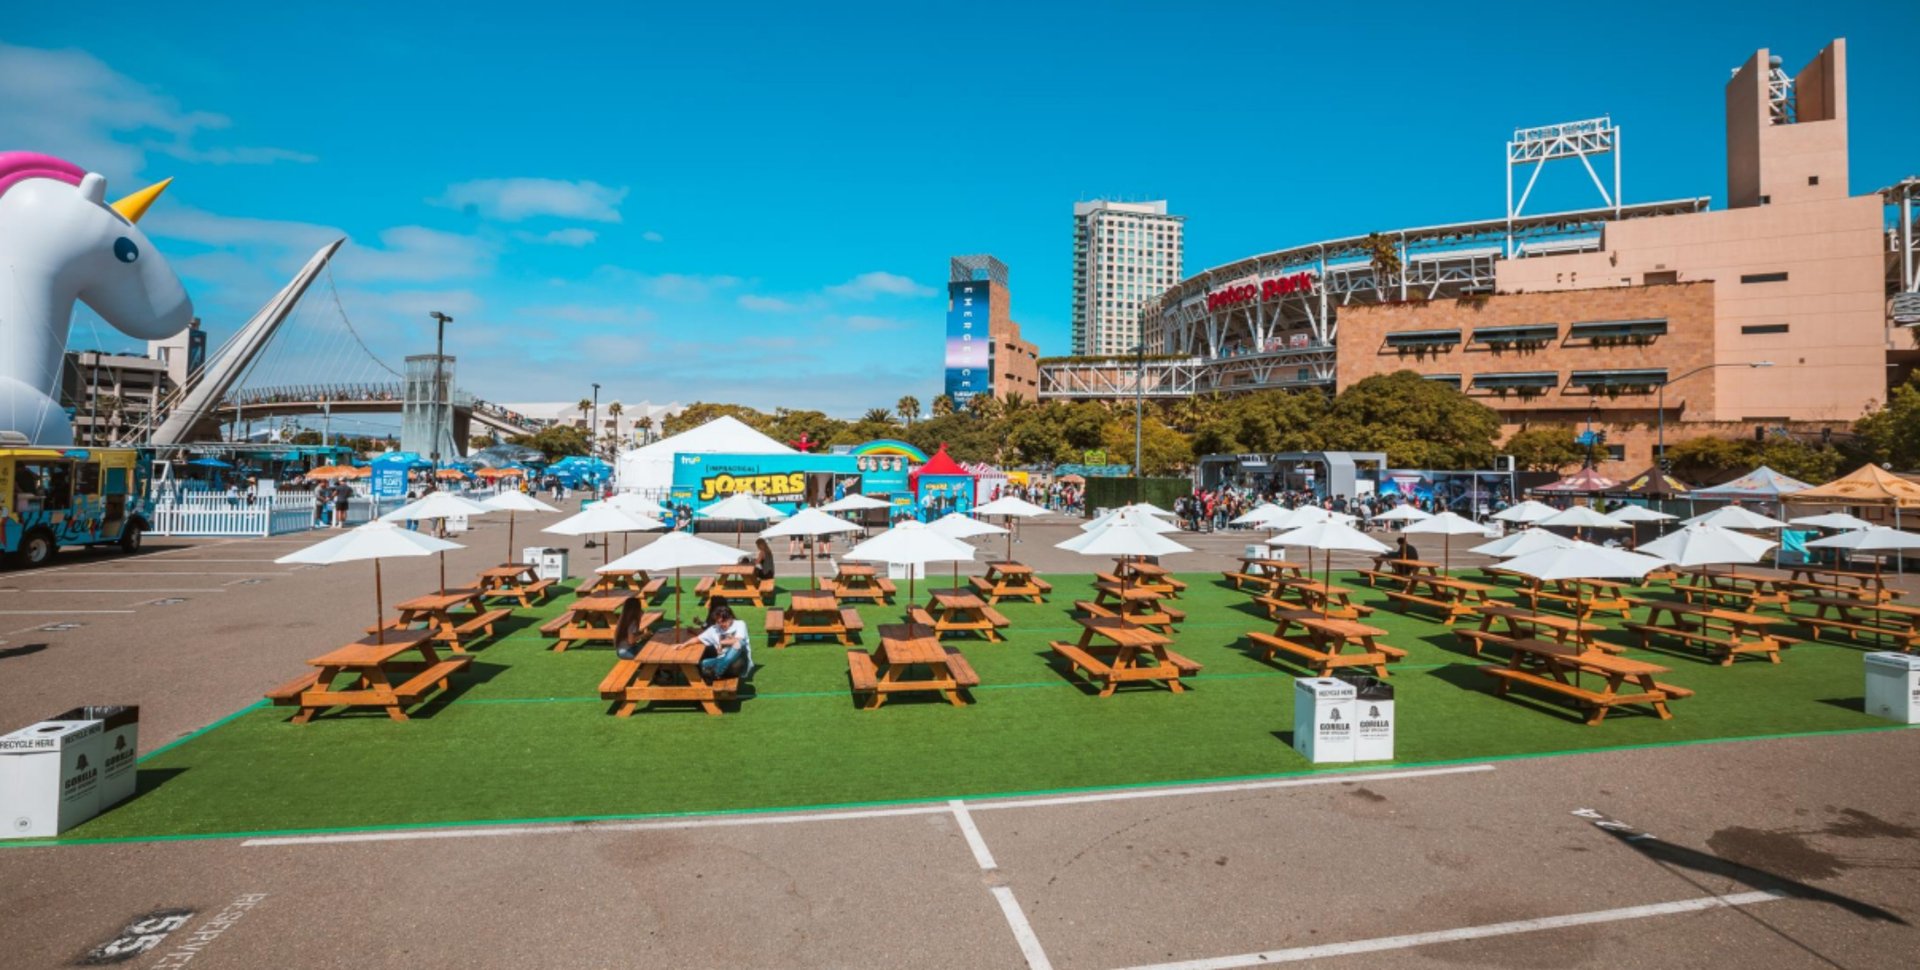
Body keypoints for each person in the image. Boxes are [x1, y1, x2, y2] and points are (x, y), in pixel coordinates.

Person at [695, 602, 751, 681]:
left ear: (730, 618)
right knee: (703, 663)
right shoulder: (715, 629)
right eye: (718, 622)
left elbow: (739, 640)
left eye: (723, 621)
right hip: (723, 661)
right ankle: (717, 670)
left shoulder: (740, 624)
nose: (721, 624)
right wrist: (683, 644)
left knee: (739, 643)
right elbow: (698, 638)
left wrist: (721, 643)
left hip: (739, 661)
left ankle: (717, 673)